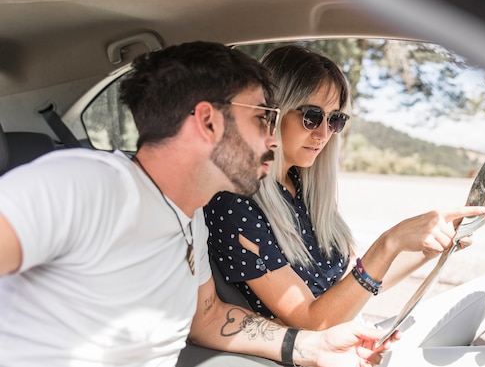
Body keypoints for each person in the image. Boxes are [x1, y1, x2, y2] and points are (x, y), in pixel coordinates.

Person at [0, 41, 396, 367]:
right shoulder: (87, 184)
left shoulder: (192, 220)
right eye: (262, 119)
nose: (273, 140)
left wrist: (311, 347)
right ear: (208, 122)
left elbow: (207, 318)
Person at [205, 44, 485, 366]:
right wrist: (390, 242)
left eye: (335, 120)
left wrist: (432, 248)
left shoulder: (302, 187)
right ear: (273, 111)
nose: (323, 133)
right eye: (311, 116)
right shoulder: (236, 204)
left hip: (360, 337)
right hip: (326, 355)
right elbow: (312, 323)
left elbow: (361, 280)